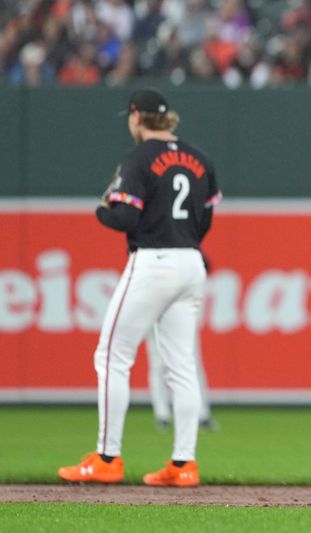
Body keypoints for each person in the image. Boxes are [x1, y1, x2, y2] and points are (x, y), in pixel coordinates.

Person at [58, 88, 221, 487]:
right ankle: (184, 464)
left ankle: (107, 458)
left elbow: (125, 218)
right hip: (191, 262)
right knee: (182, 368)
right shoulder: (200, 158)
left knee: (111, 356)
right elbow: (206, 220)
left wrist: (102, 210)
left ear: (136, 117)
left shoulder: (138, 159)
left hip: (153, 262)